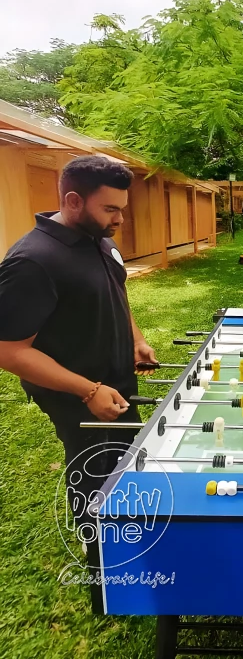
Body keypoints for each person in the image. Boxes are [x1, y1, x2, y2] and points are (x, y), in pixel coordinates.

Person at [0, 155, 157, 532]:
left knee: (122, 455)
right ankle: (96, 539)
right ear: (73, 201)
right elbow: (8, 349)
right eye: (110, 209)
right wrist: (88, 391)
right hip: (75, 391)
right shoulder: (33, 261)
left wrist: (135, 338)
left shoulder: (98, 239)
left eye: (121, 209)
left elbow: (114, 292)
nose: (119, 219)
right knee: (91, 461)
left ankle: (124, 520)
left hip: (115, 379)